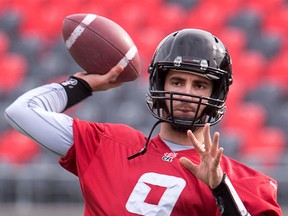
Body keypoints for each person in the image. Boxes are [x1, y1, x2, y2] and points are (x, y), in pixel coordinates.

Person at [5, 28, 282, 216]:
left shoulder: (245, 183)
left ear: (216, 94)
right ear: (160, 86)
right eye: (177, 81)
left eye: (199, 85)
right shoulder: (109, 145)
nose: (186, 93)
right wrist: (82, 85)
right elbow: (22, 112)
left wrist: (220, 189)